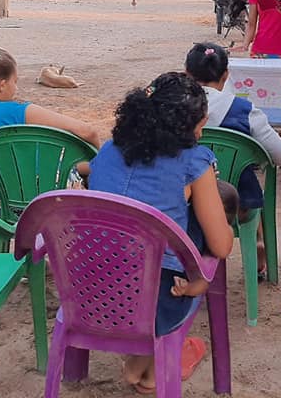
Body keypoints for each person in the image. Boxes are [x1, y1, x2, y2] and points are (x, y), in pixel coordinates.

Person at [88, 72, 235, 394]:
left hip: (88, 294)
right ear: (192, 124)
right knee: (194, 238)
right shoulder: (194, 160)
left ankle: (145, 365)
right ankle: (142, 366)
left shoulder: (110, 150)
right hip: (155, 304)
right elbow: (222, 247)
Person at [0, 35, 100, 212]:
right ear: (2, 85)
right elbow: (88, 132)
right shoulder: (17, 112)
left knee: (74, 166)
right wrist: (98, 156)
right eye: (15, 82)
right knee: (94, 168)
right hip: (41, 197)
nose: (16, 88)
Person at [185, 42, 281, 273]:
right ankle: (257, 238)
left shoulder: (170, 107)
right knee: (243, 179)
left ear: (187, 73)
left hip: (181, 202)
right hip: (236, 206)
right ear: (226, 75)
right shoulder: (243, 110)